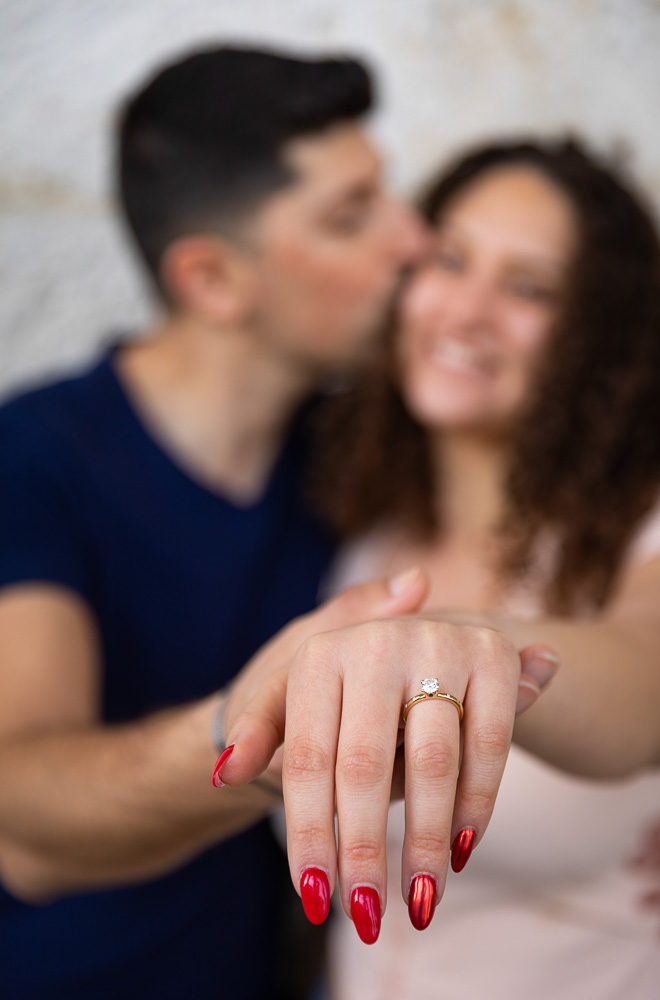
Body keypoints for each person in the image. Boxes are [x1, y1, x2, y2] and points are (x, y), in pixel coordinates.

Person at [0, 44, 433, 999]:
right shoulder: (30, 458)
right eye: (349, 216)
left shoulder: (346, 453)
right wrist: (244, 738)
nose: (411, 240)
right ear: (212, 281)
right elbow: (20, 810)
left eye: (387, 196)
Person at [289, 137, 660, 997]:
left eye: (527, 288)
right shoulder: (360, 533)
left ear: (601, 338)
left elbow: (648, 683)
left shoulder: (647, 525)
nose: (465, 311)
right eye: (448, 260)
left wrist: (462, 651)